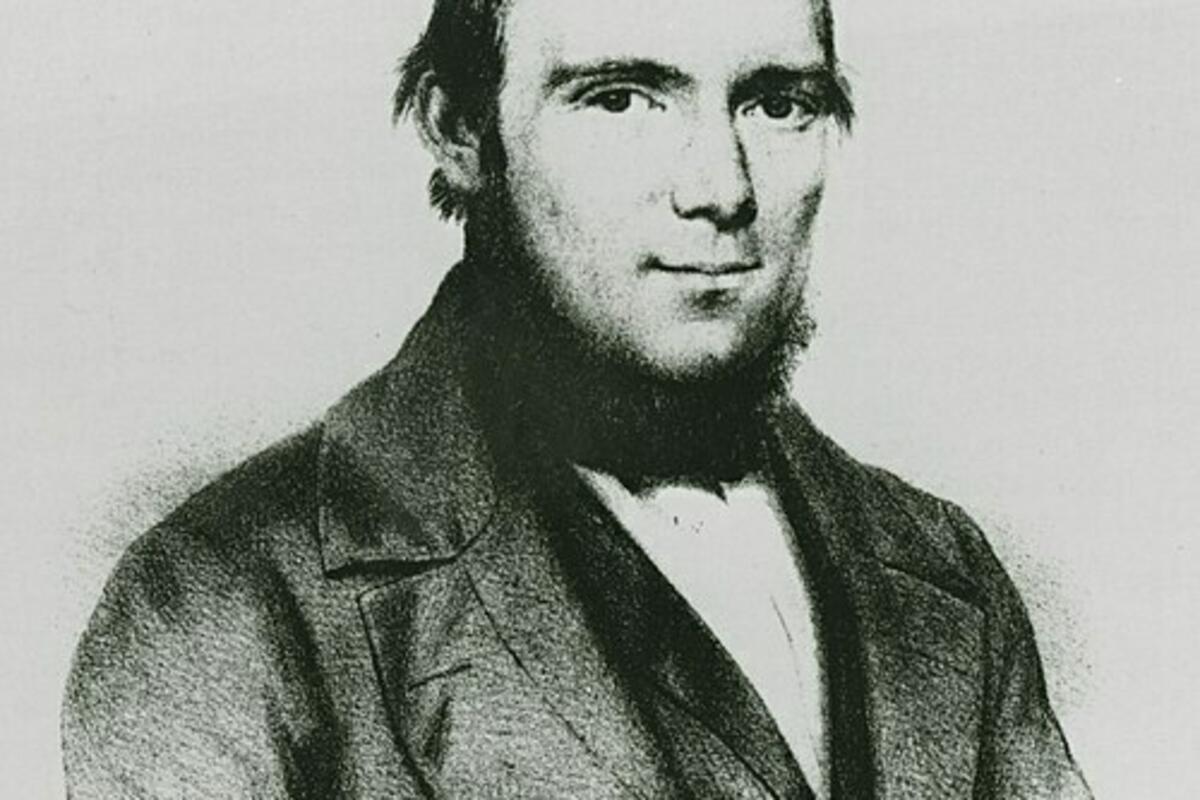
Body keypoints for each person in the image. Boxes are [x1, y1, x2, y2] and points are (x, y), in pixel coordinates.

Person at [62, 0, 1091, 797]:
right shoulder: (223, 603)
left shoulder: (945, 573)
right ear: (461, 129)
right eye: (622, 99)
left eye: (777, 103)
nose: (722, 188)